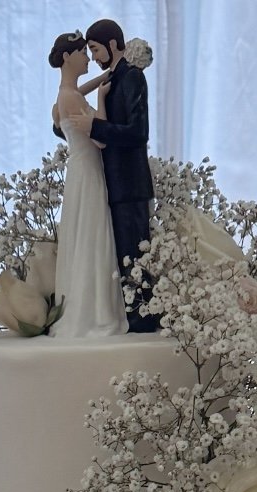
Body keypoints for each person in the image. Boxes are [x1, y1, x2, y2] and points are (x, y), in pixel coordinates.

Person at [64, 18, 159, 332]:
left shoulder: (132, 78)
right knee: (125, 255)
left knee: (135, 254)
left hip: (130, 182)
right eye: (88, 50)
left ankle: (144, 321)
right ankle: (135, 318)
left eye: (94, 49)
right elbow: (69, 114)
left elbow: (138, 132)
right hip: (115, 183)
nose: (92, 57)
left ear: (112, 44)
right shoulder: (112, 79)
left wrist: (95, 127)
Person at [48, 31, 127, 340]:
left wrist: (101, 79)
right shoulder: (71, 98)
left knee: (82, 237)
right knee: (93, 237)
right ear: (67, 57)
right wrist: (101, 99)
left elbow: (74, 92)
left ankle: (84, 307)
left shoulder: (64, 95)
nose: (86, 58)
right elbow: (100, 138)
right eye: (82, 52)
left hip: (78, 172)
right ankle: (95, 315)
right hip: (90, 170)